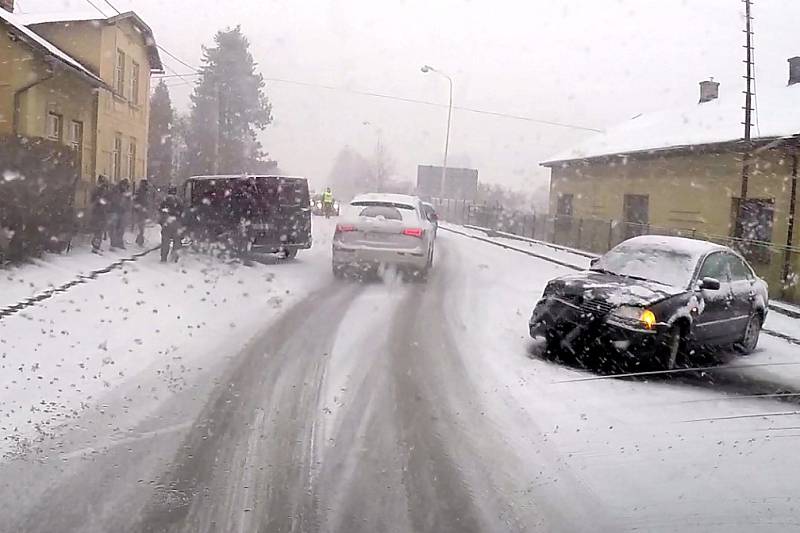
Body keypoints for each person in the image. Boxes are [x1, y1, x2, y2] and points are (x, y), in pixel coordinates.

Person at [159, 184, 184, 263]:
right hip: (176, 222)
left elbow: (161, 211)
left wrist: (162, 222)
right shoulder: (179, 200)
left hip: (167, 222)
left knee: (165, 240)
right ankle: (175, 257)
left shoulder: (165, 200)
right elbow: (182, 211)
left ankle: (163, 257)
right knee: (177, 240)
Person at [90, 175, 110, 253]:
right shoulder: (99, 190)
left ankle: (96, 245)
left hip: (100, 213)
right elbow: (95, 201)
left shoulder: (99, 190)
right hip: (99, 213)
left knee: (99, 230)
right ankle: (96, 246)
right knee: (98, 230)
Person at [109, 179, 132, 250]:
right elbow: (114, 200)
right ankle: (113, 243)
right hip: (114, 211)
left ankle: (119, 242)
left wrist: (127, 208)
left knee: (121, 228)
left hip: (122, 211)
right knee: (114, 228)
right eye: (124, 185)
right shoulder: (115, 191)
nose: (125, 187)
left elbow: (129, 202)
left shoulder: (126, 192)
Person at [133, 179, 152, 246]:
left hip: (143, 211)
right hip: (140, 211)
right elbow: (135, 201)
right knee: (141, 227)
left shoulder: (146, 192)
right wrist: (139, 207)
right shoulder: (139, 191)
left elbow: (148, 201)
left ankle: (140, 239)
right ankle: (140, 240)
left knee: (141, 227)